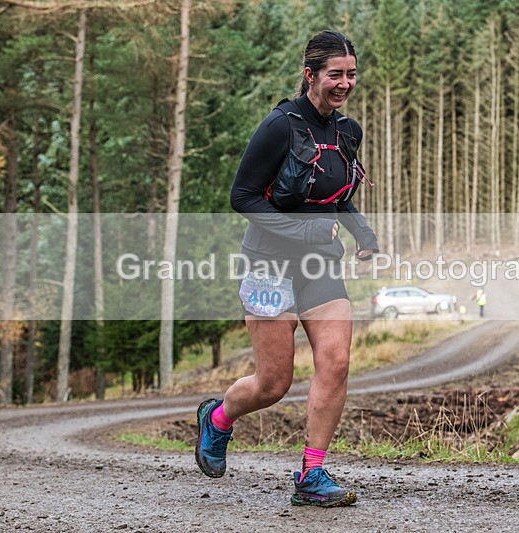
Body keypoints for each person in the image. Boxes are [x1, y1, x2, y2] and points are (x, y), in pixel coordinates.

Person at [195, 30, 378, 507]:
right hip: (269, 264)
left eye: (351, 74)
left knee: (335, 362)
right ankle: (217, 419)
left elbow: (339, 197)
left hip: (319, 266)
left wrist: (363, 234)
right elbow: (243, 197)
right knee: (274, 384)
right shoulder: (280, 125)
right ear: (310, 75)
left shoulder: (347, 132)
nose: (344, 83)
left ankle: (311, 475)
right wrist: (304, 233)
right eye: (335, 74)